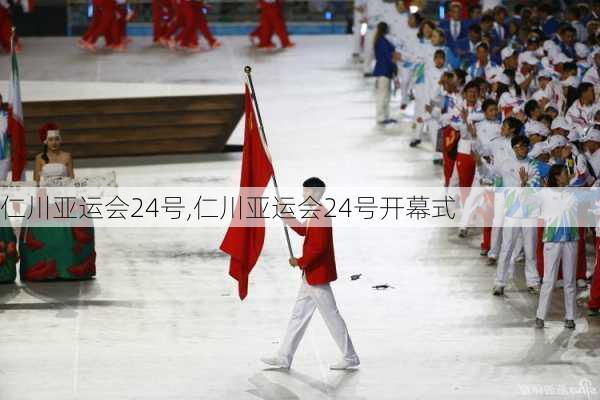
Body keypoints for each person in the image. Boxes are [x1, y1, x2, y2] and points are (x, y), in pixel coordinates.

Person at [261, 177, 360, 370]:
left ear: (315, 193)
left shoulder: (320, 215)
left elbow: (318, 248)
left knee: (331, 316)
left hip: (317, 276)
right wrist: (285, 214)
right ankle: (284, 357)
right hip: (311, 277)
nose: (303, 195)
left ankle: (350, 356)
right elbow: (302, 231)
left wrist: (299, 261)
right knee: (298, 316)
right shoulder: (316, 213)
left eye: (305, 192)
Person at [19, 124, 96, 281]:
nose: (54, 142)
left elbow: (72, 178)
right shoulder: (40, 158)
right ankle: (45, 264)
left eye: (56, 139)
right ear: (45, 141)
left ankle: (69, 264)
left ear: (60, 140)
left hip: (64, 194)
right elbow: (36, 181)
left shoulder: (67, 157)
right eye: (50, 140)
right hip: (46, 195)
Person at [372, 21, 400, 125]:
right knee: (383, 95)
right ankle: (381, 117)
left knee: (385, 95)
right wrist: (394, 69)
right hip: (384, 71)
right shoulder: (382, 42)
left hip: (384, 71)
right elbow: (389, 57)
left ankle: (385, 115)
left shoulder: (380, 40)